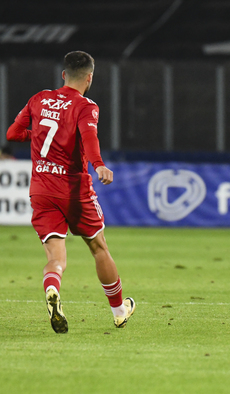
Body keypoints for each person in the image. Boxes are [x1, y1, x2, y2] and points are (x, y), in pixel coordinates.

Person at [6, 51, 135, 333]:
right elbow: (89, 137)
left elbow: (12, 134)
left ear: (63, 75)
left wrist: (36, 137)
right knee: (98, 248)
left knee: (56, 258)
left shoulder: (39, 98)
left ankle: (53, 289)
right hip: (74, 190)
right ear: (89, 78)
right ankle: (118, 311)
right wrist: (99, 164)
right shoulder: (86, 106)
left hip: (41, 189)